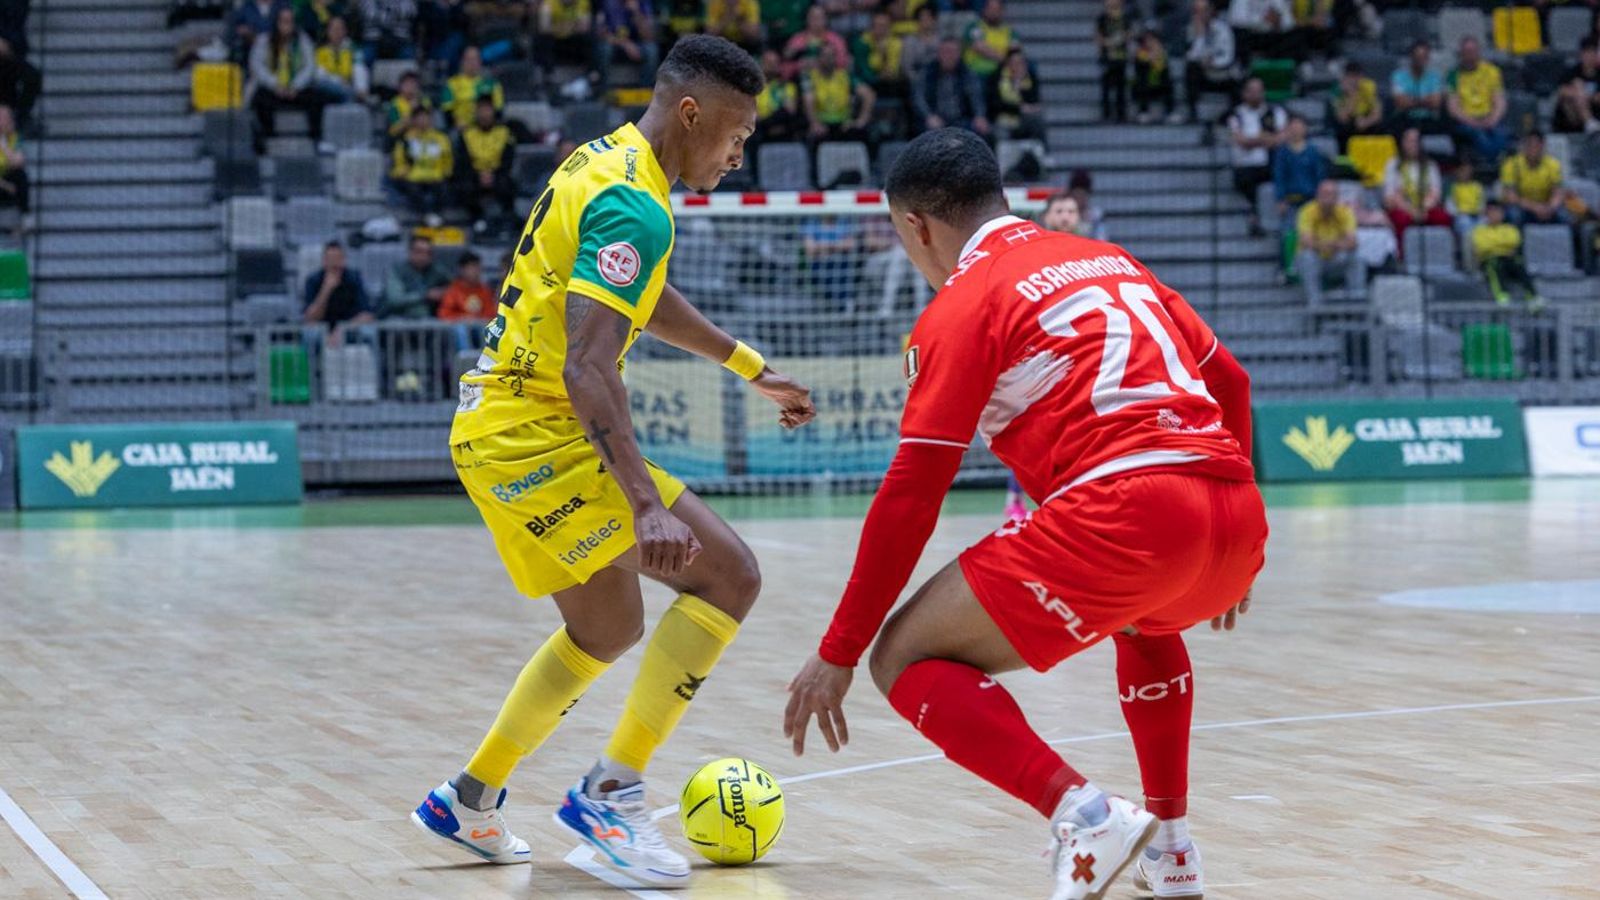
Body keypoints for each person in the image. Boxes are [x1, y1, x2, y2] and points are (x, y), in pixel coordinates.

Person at [783, 128, 1264, 900]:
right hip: (1235, 517)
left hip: (1128, 514)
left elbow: (912, 495)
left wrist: (838, 649)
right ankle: (1171, 850)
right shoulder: (1111, 259)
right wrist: (1232, 537)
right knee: (1149, 619)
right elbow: (1231, 383)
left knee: (898, 658)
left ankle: (1084, 811)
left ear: (918, 227)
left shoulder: (965, 302)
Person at [410, 35, 817, 889]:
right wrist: (645, 502)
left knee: (608, 627)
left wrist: (750, 366)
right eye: (737, 133)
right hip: (536, 433)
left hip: (498, 427)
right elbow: (589, 366)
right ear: (692, 111)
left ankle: (469, 797)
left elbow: (641, 294)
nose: (740, 154)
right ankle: (612, 793)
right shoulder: (639, 203)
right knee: (730, 576)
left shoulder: (604, 161)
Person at [249, 8, 332, 154]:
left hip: (296, 90)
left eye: (290, 22)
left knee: (318, 98)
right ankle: (266, 139)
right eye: (284, 21)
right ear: (277, 23)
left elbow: (310, 66)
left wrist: (296, 86)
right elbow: (257, 67)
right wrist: (275, 85)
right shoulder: (264, 40)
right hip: (274, 90)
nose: (287, 25)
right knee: (259, 98)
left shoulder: (302, 40)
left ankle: (317, 139)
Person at [1227, 77, 1286, 236]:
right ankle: (1256, 217)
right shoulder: (1236, 114)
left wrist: (1255, 140)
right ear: (1244, 93)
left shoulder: (1275, 112)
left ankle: (1271, 220)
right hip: (1246, 165)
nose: (1256, 94)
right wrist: (1264, 139)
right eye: (1252, 91)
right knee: (1248, 182)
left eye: (1259, 91)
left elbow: (1281, 138)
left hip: (1270, 163)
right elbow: (1240, 140)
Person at [1295, 179, 1364, 306]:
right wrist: (1332, 244)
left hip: (1336, 258)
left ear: (1337, 197)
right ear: (1317, 195)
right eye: (1324, 194)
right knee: (1307, 257)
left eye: (1331, 195)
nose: (1327, 199)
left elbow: (1353, 242)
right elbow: (1306, 242)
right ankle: (1314, 302)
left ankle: (1356, 300)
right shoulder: (1306, 211)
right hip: (1316, 260)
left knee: (1356, 257)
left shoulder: (1345, 212)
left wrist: (1330, 245)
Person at [455, 97, 517, 232]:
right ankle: (476, 221)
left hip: (498, 173)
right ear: (476, 113)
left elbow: (508, 159)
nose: (484, 114)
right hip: (474, 174)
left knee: (508, 185)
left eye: (487, 110)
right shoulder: (466, 134)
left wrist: (493, 174)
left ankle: (507, 222)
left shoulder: (504, 133)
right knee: (464, 186)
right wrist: (479, 175)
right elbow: (463, 161)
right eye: (481, 110)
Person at [1383, 127, 1452, 246]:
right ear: (1402, 143)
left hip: (1425, 207)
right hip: (1403, 208)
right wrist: (1411, 210)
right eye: (1409, 141)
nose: (1413, 145)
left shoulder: (1430, 165)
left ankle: (1437, 254)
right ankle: (1403, 257)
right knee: (1400, 219)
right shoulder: (1392, 165)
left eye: (1416, 141)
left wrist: (1422, 209)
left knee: (1443, 218)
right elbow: (1390, 196)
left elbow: (1436, 194)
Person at [803, 44, 876, 155]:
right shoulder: (809, 77)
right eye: (825, 56)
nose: (829, 59)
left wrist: (862, 120)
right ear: (818, 58)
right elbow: (808, 99)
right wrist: (815, 123)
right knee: (815, 138)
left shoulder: (845, 76)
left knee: (863, 134)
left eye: (832, 56)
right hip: (823, 124)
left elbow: (869, 95)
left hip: (844, 124)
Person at [1473, 200, 1545, 309]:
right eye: (1492, 212)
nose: (1495, 215)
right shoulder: (1479, 231)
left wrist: (1495, 245)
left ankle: (1533, 297)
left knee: (1519, 264)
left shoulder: (1510, 228)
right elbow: (1483, 246)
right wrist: (1503, 245)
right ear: (1486, 215)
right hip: (1490, 259)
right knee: (1494, 265)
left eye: (1498, 212)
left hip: (1508, 258)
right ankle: (1502, 296)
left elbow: (1514, 241)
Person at [1446, 37, 1507, 163]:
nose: (1470, 56)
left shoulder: (1492, 71)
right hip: (1465, 121)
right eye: (1466, 52)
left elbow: (1500, 101)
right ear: (1461, 54)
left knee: (1502, 133)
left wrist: (1493, 119)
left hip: (1489, 117)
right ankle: (1492, 162)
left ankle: (1492, 162)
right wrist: (1473, 122)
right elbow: (1453, 108)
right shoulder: (1453, 75)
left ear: (1479, 52)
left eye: (1472, 52)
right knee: (1479, 136)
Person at [913, 37, 988, 137]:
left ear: (959, 54)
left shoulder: (967, 73)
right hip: (935, 119)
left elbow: (976, 96)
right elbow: (919, 98)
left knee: (982, 130)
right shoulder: (927, 72)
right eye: (945, 52)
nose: (949, 56)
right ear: (938, 54)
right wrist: (928, 116)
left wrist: (979, 116)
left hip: (962, 119)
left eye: (953, 52)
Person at [389, 106, 454, 223]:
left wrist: (446, 172)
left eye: (425, 117)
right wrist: (402, 171)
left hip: (436, 175)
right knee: (411, 189)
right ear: (413, 121)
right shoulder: (406, 139)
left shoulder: (441, 138)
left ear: (431, 119)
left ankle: (438, 217)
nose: (422, 120)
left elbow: (447, 159)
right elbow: (399, 160)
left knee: (444, 188)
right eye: (419, 118)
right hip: (414, 176)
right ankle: (425, 217)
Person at [1181, 0, 1237, 124]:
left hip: (1222, 74)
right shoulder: (1191, 30)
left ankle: (1231, 116)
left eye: (1203, 11)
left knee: (1239, 81)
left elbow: (1228, 55)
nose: (1200, 15)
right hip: (1203, 75)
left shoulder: (1223, 29)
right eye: (1197, 12)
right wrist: (1200, 36)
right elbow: (1191, 57)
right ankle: (1193, 113)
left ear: (1211, 11)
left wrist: (1213, 62)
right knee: (1191, 69)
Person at [303, 240, 376, 335]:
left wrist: (341, 331)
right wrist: (326, 290)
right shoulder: (313, 280)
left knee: (368, 331)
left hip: (349, 329)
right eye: (331, 259)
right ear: (324, 261)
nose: (334, 263)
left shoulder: (354, 279)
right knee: (310, 333)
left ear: (344, 260)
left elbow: (367, 315)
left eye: (338, 258)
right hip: (322, 332)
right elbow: (310, 318)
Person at [1500, 130, 1570, 225]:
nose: (1533, 149)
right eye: (1530, 145)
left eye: (1537, 145)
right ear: (1524, 146)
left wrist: (1550, 207)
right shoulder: (1511, 164)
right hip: (1523, 207)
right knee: (1514, 215)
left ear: (1543, 146)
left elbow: (1558, 192)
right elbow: (1511, 196)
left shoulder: (1553, 164)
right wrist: (1535, 208)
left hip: (1547, 205)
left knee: (1565, 216)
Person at [438, 250, 498, 349]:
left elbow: (491, 312)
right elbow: (444, 313)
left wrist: (477, 319)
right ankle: (466, 361)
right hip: (460, 329)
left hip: (480, 327)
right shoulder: (453, 290)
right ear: (462, 270)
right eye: (472, 267)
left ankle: (487, 360)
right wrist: (463, 318)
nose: (476, 271)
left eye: (478, 267)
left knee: (487, 328)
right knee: (460, 329)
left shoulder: (484, 290)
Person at [1272, 114, 1327, 219]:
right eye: (1293, 128)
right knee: (1290, 232)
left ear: (1305, 129)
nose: (1296, 131)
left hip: (1311, 200)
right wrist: (1280, 199)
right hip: (1290, 201)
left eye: (1299, 127)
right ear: (1287, 129)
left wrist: (1321, 197)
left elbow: (1320, 175)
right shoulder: (1282, 153)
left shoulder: (1313, 152)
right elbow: (1279, 177)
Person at [383, 233, 450, 318]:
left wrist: (443, 292)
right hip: (399, 318)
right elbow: (395, 299)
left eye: (428, 253)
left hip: (430, 319)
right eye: (419, 252)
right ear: (410, 252)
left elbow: (455, 286)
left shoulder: (436, 270)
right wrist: (425, 295)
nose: (423, 256)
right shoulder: (397, 270)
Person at [596, 0, 661, 87]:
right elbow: (602, 33)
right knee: (604, 49)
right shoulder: (607, 3)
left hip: (637, 45)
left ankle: (645, 88)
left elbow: (648, 36)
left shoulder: (642, 3)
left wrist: (636, 12)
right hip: (615, 44)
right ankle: (604, 88)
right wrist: (626, 44)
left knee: (651, 49)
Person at [441, 45, 505, 129]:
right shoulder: (451, 84)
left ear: (480, 61)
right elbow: (447, 112)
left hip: (487, 128)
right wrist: (458, 123)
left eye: (475, 59)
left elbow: (499, 111)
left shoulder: (492, 84)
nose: (472, 63)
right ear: (462, 61)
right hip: (461, 129)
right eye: (468, 59)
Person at [989, 46, 1044, 142]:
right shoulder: (997, 77)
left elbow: (1035, 102)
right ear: (1008, 64)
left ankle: (1042, 154)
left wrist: (1018, 84)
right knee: (1001, 130)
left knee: (1036, 121)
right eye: (1014, 62)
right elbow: (996, 104)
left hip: (1024, 120)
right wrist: (1019, 108)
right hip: (1003, 119)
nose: (1018, 66)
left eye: (1021, 62)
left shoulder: (1030, 77)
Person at [313, 15, 371, 103]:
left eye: (340, 29)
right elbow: (320, 75)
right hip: (327, 88)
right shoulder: (320, 51)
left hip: (348, 86)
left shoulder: (353, 49)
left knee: (350, 92)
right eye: (334, 29)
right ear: (328, 31)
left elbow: (359, 69)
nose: (337, 32)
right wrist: (339, 81)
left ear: (345, 31)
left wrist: (361, 88)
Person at [853, 9, 908, 100]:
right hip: (868, 80)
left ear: (889, 27)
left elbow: (890, 73)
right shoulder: (864, 41)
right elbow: (865, 68)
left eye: (883, 26)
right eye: (876, 25)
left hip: (888, 84)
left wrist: (884, 56)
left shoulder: (895, 43)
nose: (879, 29)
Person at [1390, 40, 1444, 132]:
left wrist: (1411, 100)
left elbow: (1436, 102)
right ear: (1411, 56)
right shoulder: (1398, 76)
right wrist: (1425, 101)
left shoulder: (1435, 77)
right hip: (1405, 119)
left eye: (1425, 57)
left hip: (1428, 119)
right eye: (1418, 56)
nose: (1421, 60)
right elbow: (1400, 102)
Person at [783, 4, 850, 78]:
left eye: (819, 17)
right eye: (813, 17)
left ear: (825, 19)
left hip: (830, 80)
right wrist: (799, 65)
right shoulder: (797, 40)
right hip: (802, 81)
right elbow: (785, 68)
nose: (816, 21)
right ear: (807, 19)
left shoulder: (836, 40)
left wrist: (821, 63)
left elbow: (843, 62)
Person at [754, 48, 804, 144]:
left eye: (775, 63)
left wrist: (767, 121)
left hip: (783, 132)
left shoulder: (787, 87)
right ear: (761, 64)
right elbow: (754, 117)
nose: (772, 66)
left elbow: (790, 110)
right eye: (768, 62)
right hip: (760, 133)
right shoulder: (752, 88)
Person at [1329, 61, 1382, 149]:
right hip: (1347, 122)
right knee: (1342, 127)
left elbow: (1377, 114)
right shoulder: (1337, 90)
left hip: (1364, 119)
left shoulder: (1368, 85)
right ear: (1345, 77)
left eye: (1357, 76)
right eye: (1351, 77)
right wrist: (1353, 95)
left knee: (1379, 126)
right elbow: (1342, 117)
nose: (1355, 80)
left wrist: (1366, 122)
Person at [1553, 37, 1600, 135]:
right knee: (1577, 85)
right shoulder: (1572, 72)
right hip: (1573, 115)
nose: (1590, 57)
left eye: (1593, 53)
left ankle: (1590, 122)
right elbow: (1561, 90)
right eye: (1587, 53)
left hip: (1595, 110)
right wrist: (1580, 94)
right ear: (1581, 54)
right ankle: (1589, 122)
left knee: (1579, 89)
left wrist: (1586, 96)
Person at [1095, 0, 1130, 123]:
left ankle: (1121, 113)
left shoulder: (1125, 17)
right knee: (1106, 85)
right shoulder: (1102, 18)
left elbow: (1128, 35)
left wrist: (1116, 41)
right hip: (1107, 56)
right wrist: (1109, 43)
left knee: (1121, 86)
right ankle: (1106, 113)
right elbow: (1098, 38)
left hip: (1121, 56)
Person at [1131, 28, 1174, 124]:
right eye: (1148, 40)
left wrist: (1157, 55)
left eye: (1153, 40)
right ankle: (1143, 112)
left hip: (1157, 87)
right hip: (1142, 87)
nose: (1151, 42)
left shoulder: (1161, 55)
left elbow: (1161, 68)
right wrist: (1152, 56)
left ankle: (1170, 112)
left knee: (1167, 81)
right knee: (1142, 80)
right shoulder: (1140, 53)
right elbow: (1143, 64)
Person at [962, 0, 1013, 81]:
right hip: (975, 72)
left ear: (1002, 11)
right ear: (984, 10)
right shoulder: (975, 27)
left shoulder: (1009, 31)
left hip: (1000, 73)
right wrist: (1003, 57)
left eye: (997, 9)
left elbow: (1015, 53)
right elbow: (979, 48)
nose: (993, 12)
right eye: (990, 8)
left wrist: (990, 51)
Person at [0, 103, 28, 232]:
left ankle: (26, 218)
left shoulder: (15, 138)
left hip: (7, 179)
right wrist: (5, 185)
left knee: (20, 175)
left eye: (6, 118)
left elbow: (19, 162)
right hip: (3, 185)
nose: (3, 122)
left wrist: (3, 145)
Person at [1447, 157, 1485, 251]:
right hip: (1460, 217)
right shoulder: (1453, 187)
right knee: (1465, 224)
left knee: (1483, 224)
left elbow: (1482, 204)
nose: (1466, 173)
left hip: (1476, 216)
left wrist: (1478, 212)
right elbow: (1450, 207)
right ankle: (1467, 259)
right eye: (1463, 171)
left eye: (1468, 170)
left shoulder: (1477, 186)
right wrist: (1461, 212)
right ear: (1457, 171)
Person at [385, 71, 433, 141]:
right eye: (407, 84)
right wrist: (412, 112)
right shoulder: (395, 104)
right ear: (400, 86)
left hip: (424, 135)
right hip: (403, 137)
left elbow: (430, 123)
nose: (411, 87)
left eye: (413, 83)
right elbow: (394, 130)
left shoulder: (424, 101)